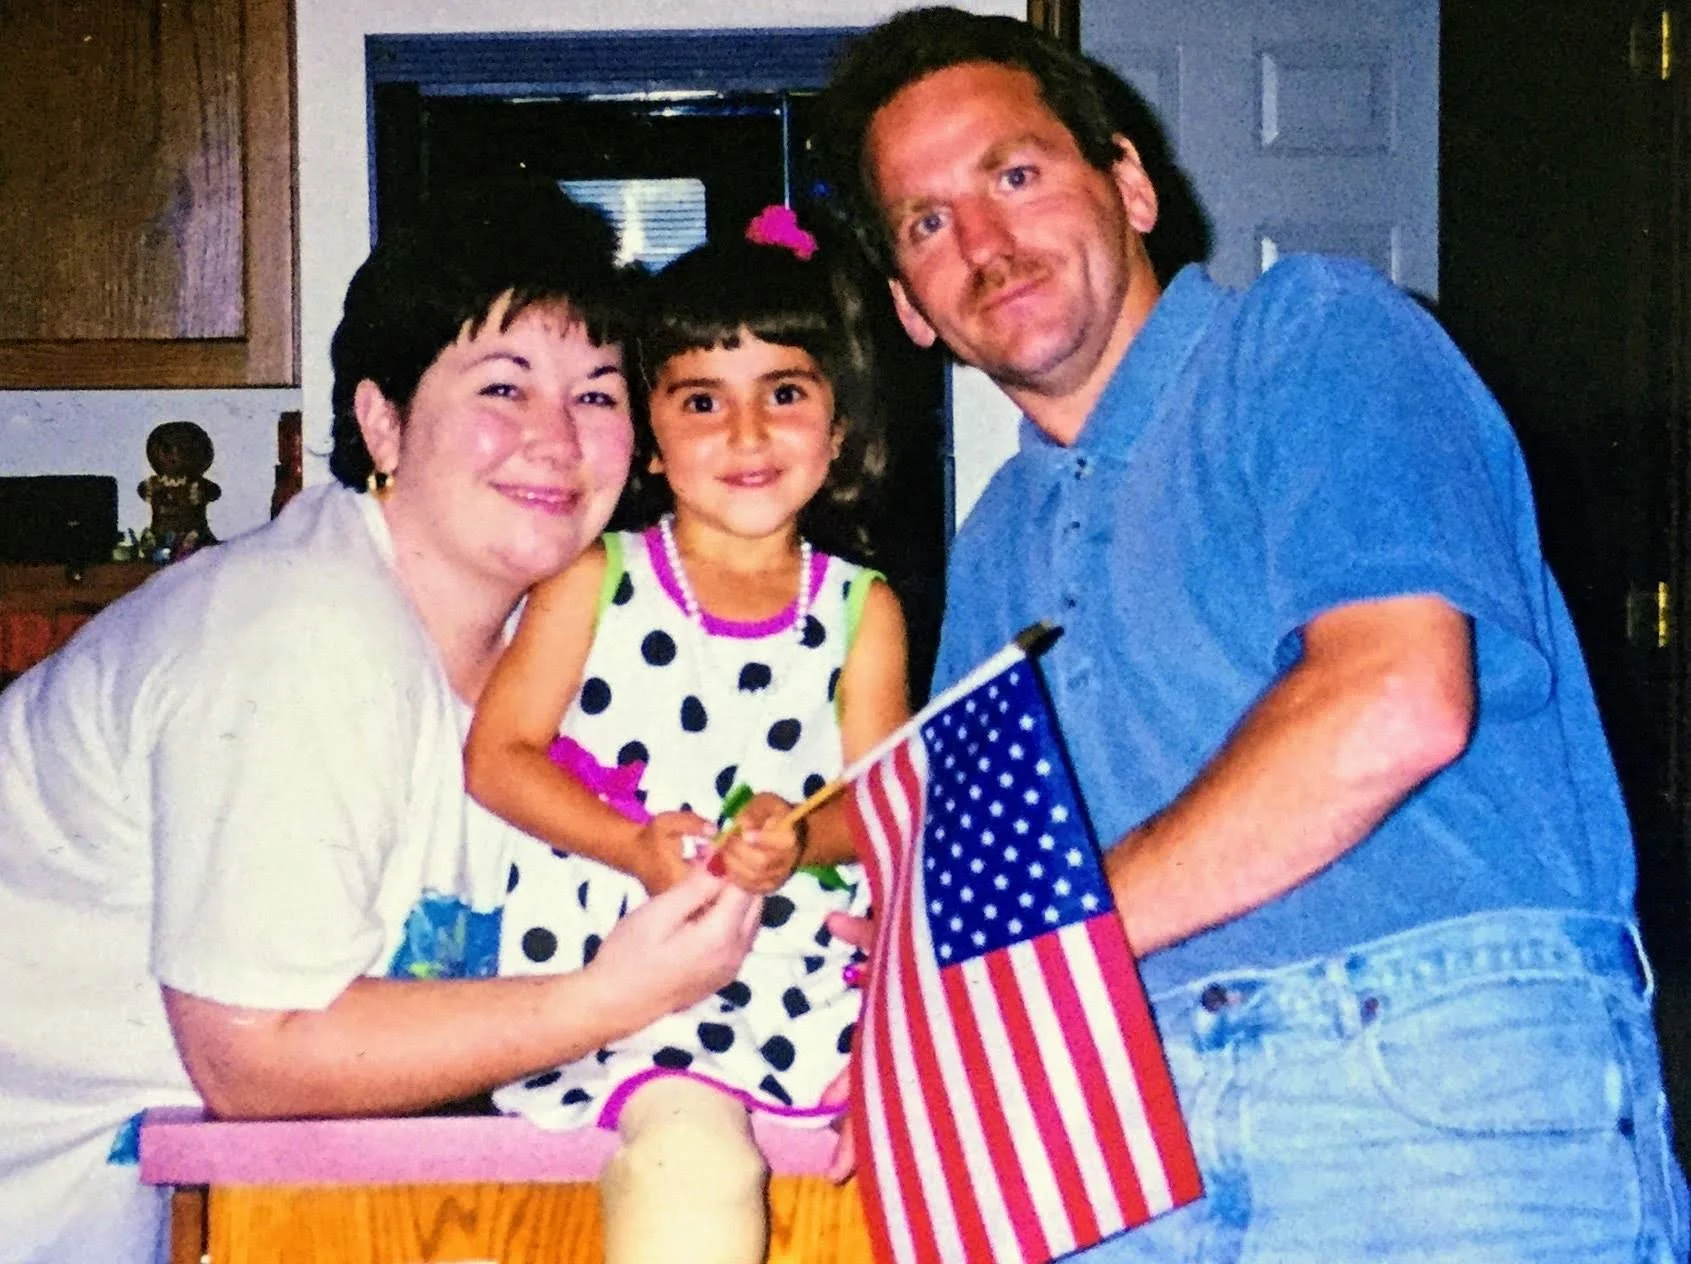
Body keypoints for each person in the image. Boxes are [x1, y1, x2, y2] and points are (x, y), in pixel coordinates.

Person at [812, 8, 1689, 1261]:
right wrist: (908, 1018)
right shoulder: (999, 532)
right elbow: (975, 874)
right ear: (909, 307)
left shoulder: (1311, 334)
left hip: (1422, 1071)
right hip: (1118, 1121)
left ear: (1128, 183)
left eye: (1014, 174)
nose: (986, 244)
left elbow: (1392, 699)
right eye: (928, 223)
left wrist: (1042, 949)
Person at [0, 186, 763, 1264]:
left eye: (596, 395)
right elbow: (254, 1057)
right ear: (382, 421)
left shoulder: (535, 672)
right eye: (503, 386)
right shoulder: (299, 627)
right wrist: (607, 998)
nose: (554, 439)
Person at [462, 205, 910, 1264]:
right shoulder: (595, 579)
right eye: (701, 399)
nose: (745, 434)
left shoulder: (863, 606)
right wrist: (629, 845)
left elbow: (887, 804)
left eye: (785, 394)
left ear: (839, 426)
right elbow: (496, 757)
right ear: (651, 439)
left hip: (808, 981)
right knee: (693, 1165)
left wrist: (803, 839)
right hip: (640, 973)